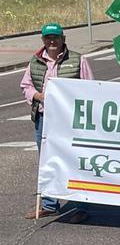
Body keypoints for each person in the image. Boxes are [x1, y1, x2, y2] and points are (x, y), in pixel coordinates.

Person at [20, 23, 94, 222]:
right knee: (47, 162)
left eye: (55, 37)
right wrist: (38, 95)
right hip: (44, 118)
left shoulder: (78, 60)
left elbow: (91, 88)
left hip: (70, 120)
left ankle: (81, 205)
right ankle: (49, 204)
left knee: (75, 159)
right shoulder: (35, 61)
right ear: (43, 40)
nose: (52, 41)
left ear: (63, 38)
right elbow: (25, 85)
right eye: (48, 38)